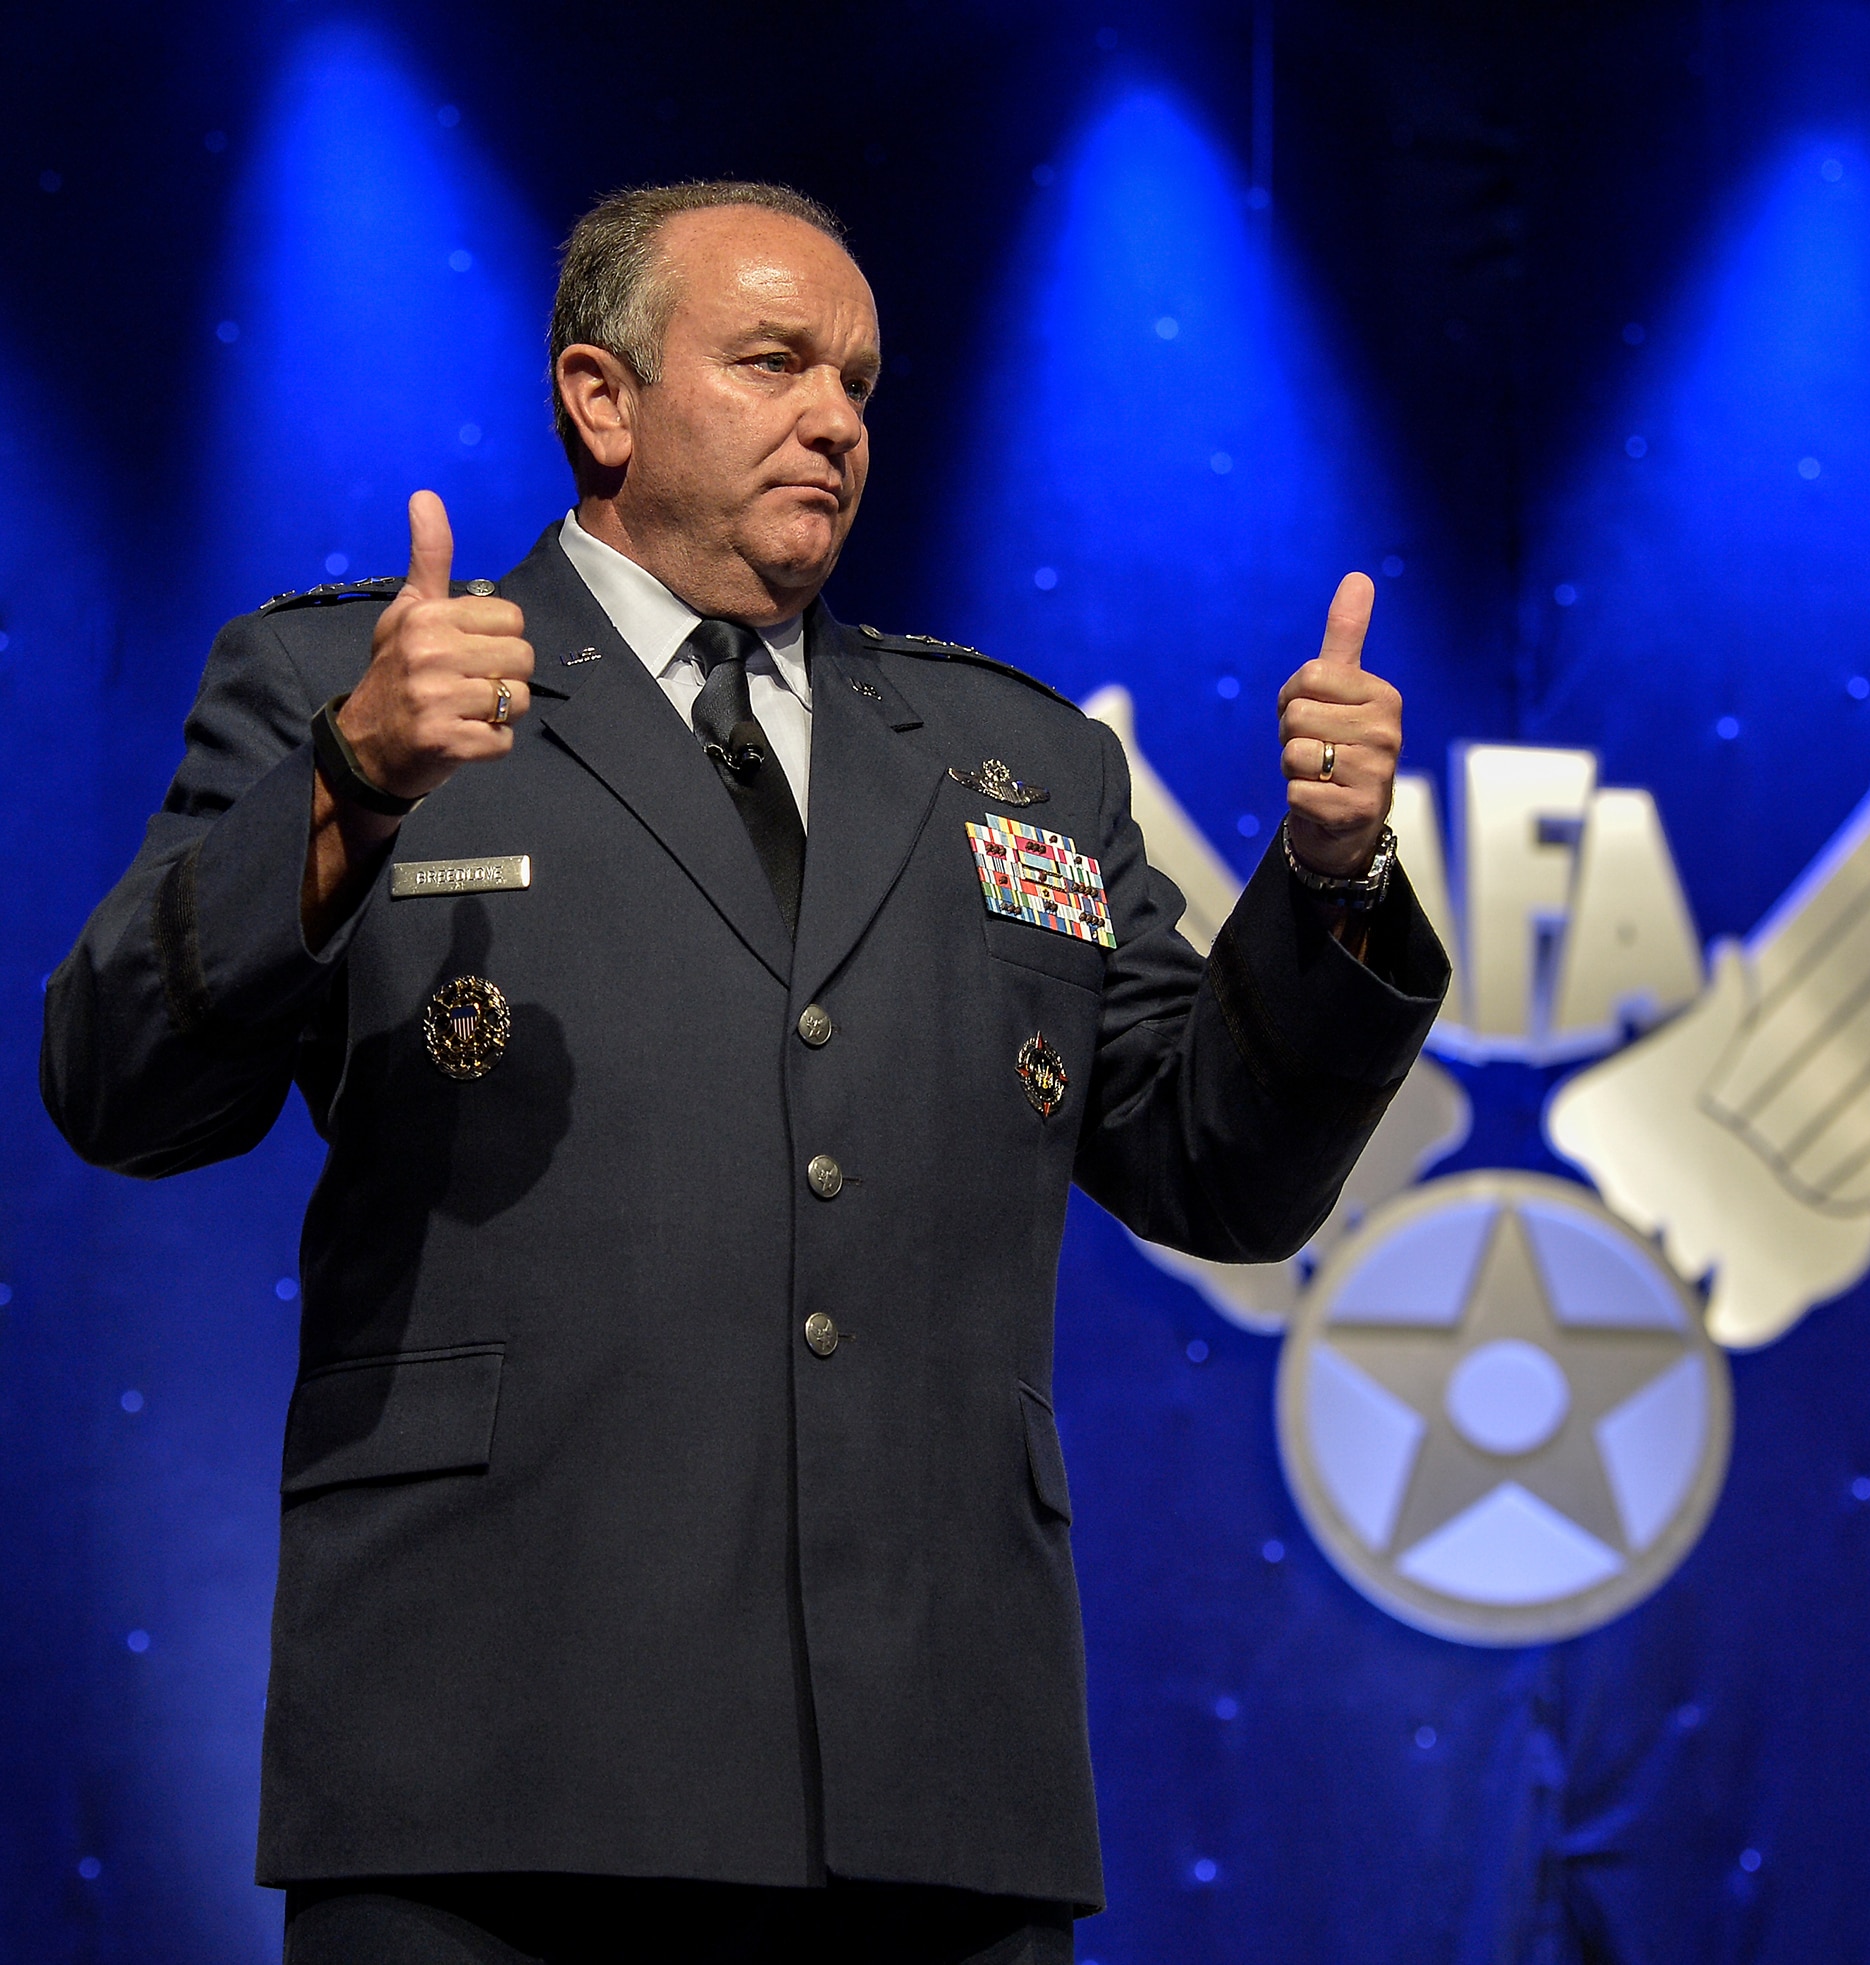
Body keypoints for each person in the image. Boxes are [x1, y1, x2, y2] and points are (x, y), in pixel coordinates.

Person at [41, 181, 1447, 1964]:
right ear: (601, 398)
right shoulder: (357, 685)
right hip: (495, 1767)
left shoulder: (1022, 761)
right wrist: (349, 792)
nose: (835, 418)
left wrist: (1330, 884)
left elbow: (1220, 1169)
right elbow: (117, 1085)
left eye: (859, 380)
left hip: (934, 1790)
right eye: (773, 360)